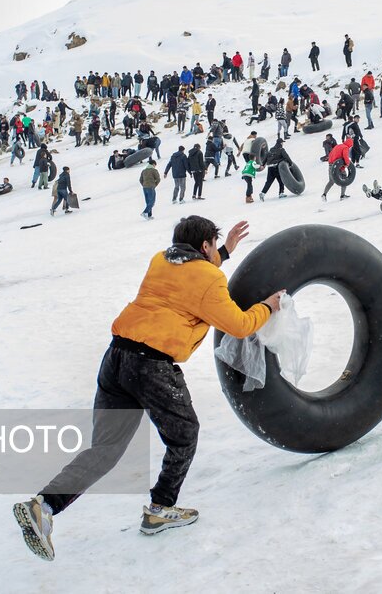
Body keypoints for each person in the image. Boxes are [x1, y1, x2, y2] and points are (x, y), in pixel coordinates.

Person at [14, 217, 283, 559]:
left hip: (116, 357)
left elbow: (194, 275)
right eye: (213, 246)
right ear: (204, 247)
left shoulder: (161, 260)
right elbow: (240, 325)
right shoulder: (209, 277)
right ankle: (160, 508)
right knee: (184, 435)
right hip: (151, 366)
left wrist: (227, 248)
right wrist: (268, 307)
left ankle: (45, 507)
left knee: (106, 448)